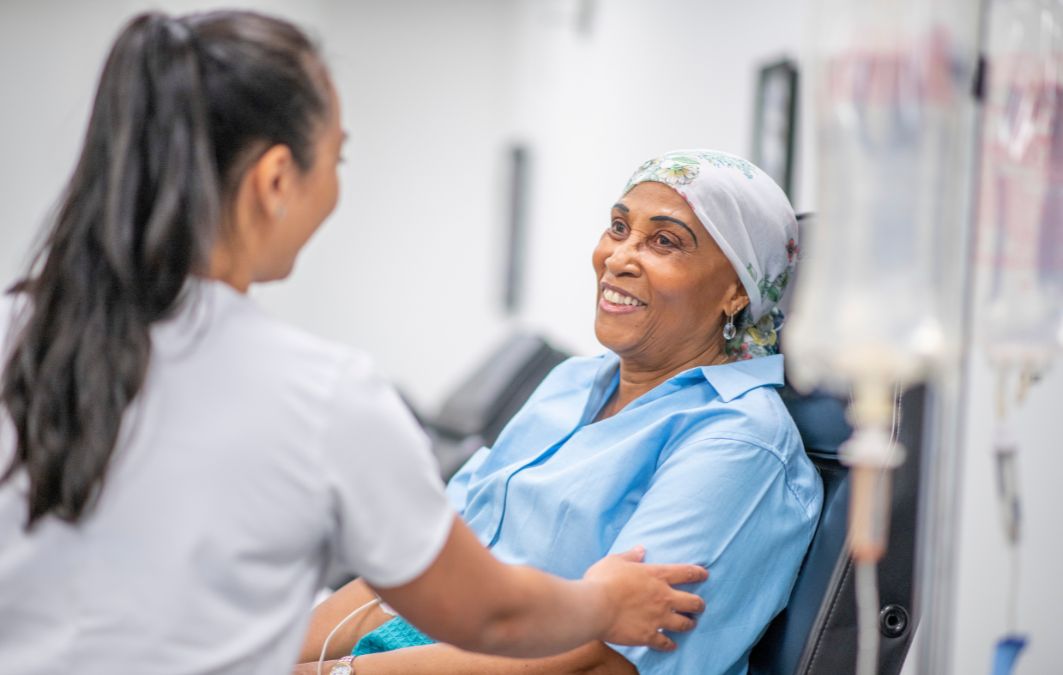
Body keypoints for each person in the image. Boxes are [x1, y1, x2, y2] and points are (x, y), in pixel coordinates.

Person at [0, 12, 710, 674]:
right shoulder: (322, 395)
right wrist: (606, 602)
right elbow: (489, 611)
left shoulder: (15, 328)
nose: (336, 187)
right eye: (335, 160)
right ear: (276, 180)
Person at [297, 150, 824, 675]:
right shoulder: (571, 382)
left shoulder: (737, 442)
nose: (619, 258)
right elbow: (423, 570)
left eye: (664, 241)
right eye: (618, 228)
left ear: (737, 291)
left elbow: (599, 663)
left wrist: (329, 674)